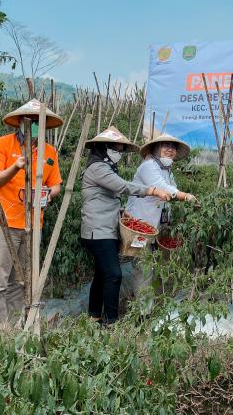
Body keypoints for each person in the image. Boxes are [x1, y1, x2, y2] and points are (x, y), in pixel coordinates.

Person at [0, 99, 63, 326]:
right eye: (30, 121)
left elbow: (56, 184)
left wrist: (47, 193)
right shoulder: (1, 145)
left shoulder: (50, 152)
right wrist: (15, 167)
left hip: (32, 224)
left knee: (21, 282)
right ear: (19, 123)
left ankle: (16, 328)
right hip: (0, 221)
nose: (34, 126)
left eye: (39, 122)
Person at [80, 126, 171, 323]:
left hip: (106, 229)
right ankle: (111, 321)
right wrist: (152, 191)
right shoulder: (97, 168)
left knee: (102, 274)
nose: (118, 153)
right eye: (115, 148)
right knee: (114, 275)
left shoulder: (106, 166)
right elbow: (122, 186)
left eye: (121, 150)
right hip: (98, 230)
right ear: (104, 147)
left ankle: (94, 316)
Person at [125, 132, 197, 230]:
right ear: (156, 148)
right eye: (166, 145)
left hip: (154, 223)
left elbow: (173, 192)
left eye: (173, 147)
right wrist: (186, 196)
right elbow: (162, 187)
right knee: (138, 244)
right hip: (138, 220)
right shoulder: (148, 165)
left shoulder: (167, 171)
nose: (170, 149)